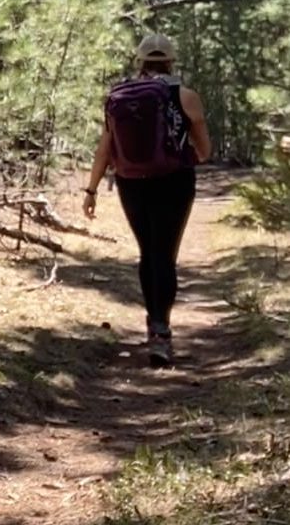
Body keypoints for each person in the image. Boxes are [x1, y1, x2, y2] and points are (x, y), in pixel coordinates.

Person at [82, 33, 211, 368]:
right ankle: (161, 332)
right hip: (174, 183)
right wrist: (180, 157)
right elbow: (204, 151)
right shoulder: (186, 96)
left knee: (147, 252)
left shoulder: (118, 96)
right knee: (164, 253)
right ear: (171, 61)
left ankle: (152, 324)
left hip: (130, 183)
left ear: (139, 61)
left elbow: (105, 148)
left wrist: (92, 189)